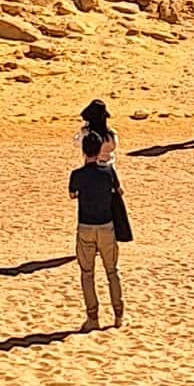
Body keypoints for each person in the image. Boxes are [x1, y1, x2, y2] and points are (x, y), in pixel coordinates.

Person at [68, 131, 125, 330]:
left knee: (87, 273)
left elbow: (73, 194)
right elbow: (119, 191)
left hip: (86, 226)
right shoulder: (108, 172)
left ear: (84, 151)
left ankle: (93, 317)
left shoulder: (77, 175)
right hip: (106, 226)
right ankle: (118, 315)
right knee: (112, 271)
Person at [73, 98, 117, 165]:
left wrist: (82, 131)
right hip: (109, 168)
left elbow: (76, 143)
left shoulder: (86, 134)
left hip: (92, 168)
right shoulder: (111, 134)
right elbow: (114, 147)